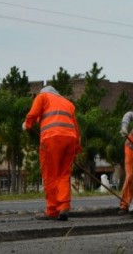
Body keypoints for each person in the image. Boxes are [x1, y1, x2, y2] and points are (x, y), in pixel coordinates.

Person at [23, 85, 81, 221]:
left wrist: (27, 124)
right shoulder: (68, 103)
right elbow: (76, 127)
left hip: (51, 138)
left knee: (50, 174)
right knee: (63, 174)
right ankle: (64, 206)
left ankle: (53, 210)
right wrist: (77, 147)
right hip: (70, 139)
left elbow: (33, 113)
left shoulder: (42, 96)